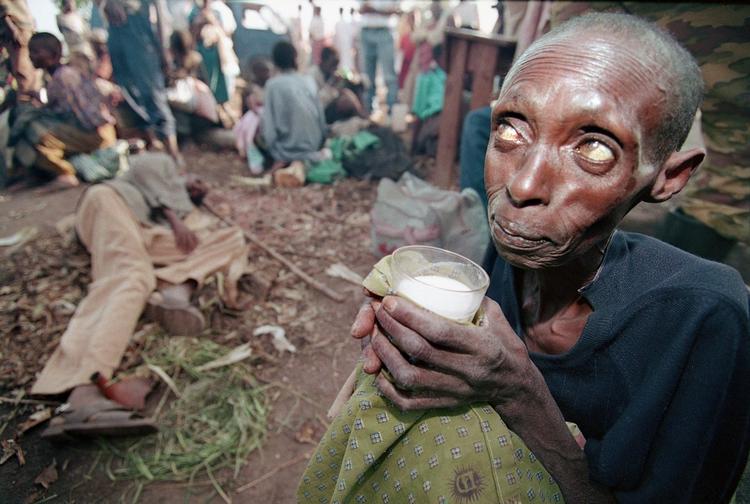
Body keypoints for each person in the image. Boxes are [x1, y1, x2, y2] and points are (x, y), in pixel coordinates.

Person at [313, 13, 750, 503]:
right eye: (512, 131)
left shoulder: (704, 319)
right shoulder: (517, 257)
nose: (521, 185)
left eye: (594, 149)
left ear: (667, 177)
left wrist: (517, 391)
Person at [31, 152, 250, 437]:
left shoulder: (181, 195)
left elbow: (183, 215)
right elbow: (151, 177)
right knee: (131, 276)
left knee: (231, 238)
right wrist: (173, 214)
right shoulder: (142, 172)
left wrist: (190, 200)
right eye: (189, 181)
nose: (194, 183)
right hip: (112, 211)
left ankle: (175, 290)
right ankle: (83, 393)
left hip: (146, 232)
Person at [24, 32, 117, 189]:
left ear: (53, 55)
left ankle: (65, 173)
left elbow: (84, 115)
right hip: (96, 131)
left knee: (38, 132)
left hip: (97, 133)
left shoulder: (64, 77)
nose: (31, 56)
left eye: (36, 52)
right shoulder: (59, 76)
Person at [99, 0, 182, 165]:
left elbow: (159, 10)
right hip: (115, 30)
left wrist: (163, 47)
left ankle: (173, 155)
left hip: (139, 30)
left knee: (151, 93)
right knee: (128, 93)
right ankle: (152, 146)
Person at [261, 41, 326, 167]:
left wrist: (272, 149)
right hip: (313, 147)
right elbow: (321, 119)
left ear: (275, 61)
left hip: (285, 151)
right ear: (295, 58)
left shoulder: (272, 85)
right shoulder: (308, 81)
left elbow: (269, 130)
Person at [359, 0, 399, 114]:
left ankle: (392, 111)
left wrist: (374, 10)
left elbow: (394, 10)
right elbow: (361, 9)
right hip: (366, 31)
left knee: (389, 76)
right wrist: (376, 11)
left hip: (384, 31)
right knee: (367, 76)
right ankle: (368, 111)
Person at [308, 46, 365, 124]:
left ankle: (362, 117)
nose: (335, 67)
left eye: (336, 64)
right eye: (333, 64)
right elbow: (318, 101)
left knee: (354, 88)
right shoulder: (312, 75)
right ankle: (362, 118)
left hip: (330, 106)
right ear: (324, 61)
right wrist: (332, 86)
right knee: (346, 99)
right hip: (320, 113)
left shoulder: (332, 73)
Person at [0, 0, 38, 104]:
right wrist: (12, 28)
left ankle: (29, 106)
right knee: (23, 74)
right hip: (18, 29)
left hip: (24, 28)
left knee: (30, 74)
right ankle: (26, 108)